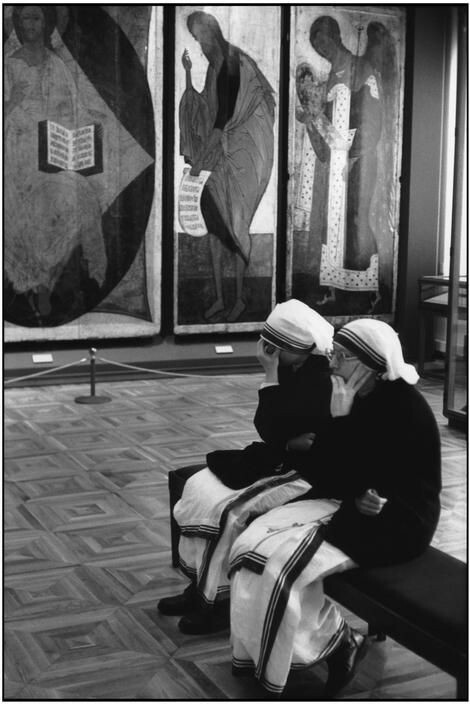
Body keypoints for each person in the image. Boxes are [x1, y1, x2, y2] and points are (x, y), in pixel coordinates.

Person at [229, 319, 441, 698]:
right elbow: (330, 469)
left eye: (342, 357)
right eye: (333, 354)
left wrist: (367, 490)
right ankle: (262, 654)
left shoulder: (407, 408)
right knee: (252, 544)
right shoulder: (350, 395)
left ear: (371, 365)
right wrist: (339, 420)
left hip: (398, 522)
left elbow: (400, 482)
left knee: (279, 567)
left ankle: (339, 642)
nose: (332, 364)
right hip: (352, 504)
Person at [158, 299, 334, 634]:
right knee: (200, 490)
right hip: (283, 457)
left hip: (309, 473)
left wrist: (270, 377)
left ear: (298, 348)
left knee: (229, 512)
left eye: (275, 347)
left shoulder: (319, 378)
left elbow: (273, 428)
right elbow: (268, 427)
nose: (268, 351)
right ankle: (199, 588)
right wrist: (286, 440)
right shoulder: (292, 368)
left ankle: (218, 603)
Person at [4, 5, 106, 324]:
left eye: (35, 18)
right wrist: (13, 101)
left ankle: (49, 281)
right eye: (24, 18)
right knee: (27, 220)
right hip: (17, 157)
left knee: (82, 201)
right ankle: (36, 288)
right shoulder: (8, 64)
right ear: (16, 23)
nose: (29, 25)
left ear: (47, 23)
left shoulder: (57, 64)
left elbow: (74, 111)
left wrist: (88, 130)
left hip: (53, 152)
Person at [179, 10, 275, 323]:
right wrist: (187, 75)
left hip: (240, 158)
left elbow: (222, 122)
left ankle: (240, 299)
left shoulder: (234, 65)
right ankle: (220, 298)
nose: (201, 43)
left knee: (235, 227)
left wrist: (198, 164)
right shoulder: (213, 69)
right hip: (218, 159)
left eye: (202, 36)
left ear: (214, 31)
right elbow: (203, 109)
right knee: (214, 228)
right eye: (196, 38)